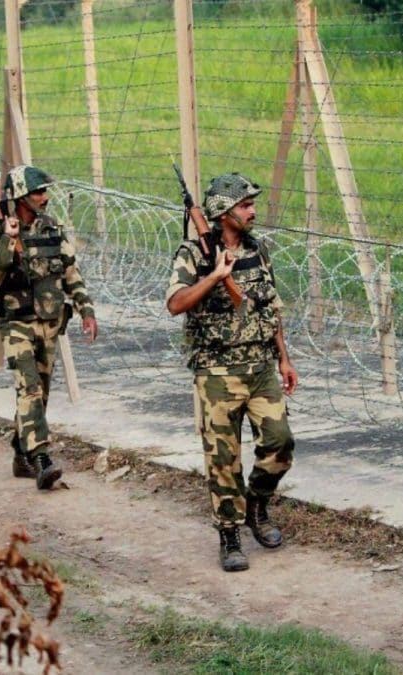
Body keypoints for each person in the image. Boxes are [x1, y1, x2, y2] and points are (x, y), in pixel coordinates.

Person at [165, 172, 297, 573]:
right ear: (224, 213)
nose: (253, 211)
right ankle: (229, 534)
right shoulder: (194, 254)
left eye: (252, 204)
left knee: (280, 443)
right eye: (245, 205)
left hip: (261, 367)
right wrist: (215, 276)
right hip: (217, 372)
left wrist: (284, 359)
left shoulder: (258, 250)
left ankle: (256, 503)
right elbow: (175, 304)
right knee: (223, 458)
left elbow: (271, 307)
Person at [0, 165, 96, 490]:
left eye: (45, 192)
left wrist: (86, 309)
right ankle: (41, 458)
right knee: (29, 389)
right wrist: (9, 240)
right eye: (38, 193)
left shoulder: (51, 227)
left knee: (40, 394)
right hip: (17, 323)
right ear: (21, 197)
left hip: (49, 322)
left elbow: (70, 272)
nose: (45, 198)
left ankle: (22, 453)